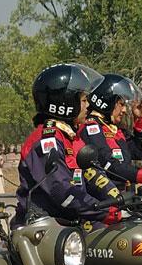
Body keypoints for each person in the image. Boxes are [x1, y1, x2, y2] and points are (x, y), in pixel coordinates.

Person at [15, 63, 124, 227]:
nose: (88, 105)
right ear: (65, 103)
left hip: (70, 223)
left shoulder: (71, 137)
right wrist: (103, 213)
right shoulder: (45, 141)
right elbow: (61, 190)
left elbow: (94, 175)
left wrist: (120, 201)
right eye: (83, 100)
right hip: (42, 229)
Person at [78, 74, 142, 191]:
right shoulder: (91, 128)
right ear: (108, 101)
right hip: (106, 199)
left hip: (125, 196)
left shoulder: (113, 129)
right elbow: (109, 164)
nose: (124, 110)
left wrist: (139, 119)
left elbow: (139, 152)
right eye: (121, 104)